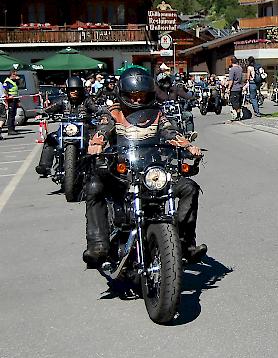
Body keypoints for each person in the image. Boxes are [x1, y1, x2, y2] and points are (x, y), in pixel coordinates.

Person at [83, 67, 206, 265]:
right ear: (123, 95)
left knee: (189, 187)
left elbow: (170, 132)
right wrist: (97, 145)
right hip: (122, 174)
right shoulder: (114, 113)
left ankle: (185, 244)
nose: (138, 100)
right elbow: (103, 130)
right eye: (133, 96)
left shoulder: (158, 114)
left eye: (142, 95)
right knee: (95, 187)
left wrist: (188, 146)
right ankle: (98, 245)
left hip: (153, 174)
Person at [35, 76, 100, 176]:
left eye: (77, 89)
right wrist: (42, 112)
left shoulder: (87, 100)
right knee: (51, 138)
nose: (74, 92)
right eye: (71, 90)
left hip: (85, 130)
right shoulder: (63, 101)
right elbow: (50, 108)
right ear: (67, 90)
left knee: (97, 141)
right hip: (66, 130)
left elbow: (96, 109)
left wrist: (101, 112)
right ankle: (44, 166)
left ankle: (96, 168)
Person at [3, 69, 20, 135]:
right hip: (10, 100)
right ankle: (10, 130)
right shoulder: (7, 81)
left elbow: (17, 90)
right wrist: (7, 97)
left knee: (13, 114)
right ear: (11, 74)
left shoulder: (14, 81)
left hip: (15, 99)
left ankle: (13, 129)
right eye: (15, 74)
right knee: (11, 115)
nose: (16, 76)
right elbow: (5, 90)